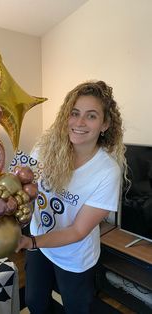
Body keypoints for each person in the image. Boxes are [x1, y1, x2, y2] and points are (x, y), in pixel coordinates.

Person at [16, 80, 127, 314]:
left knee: (77, 309)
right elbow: (25, 191)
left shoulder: (107, 172)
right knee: (35, 303)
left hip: (73, 257)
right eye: (74, 113)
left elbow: (77, 231)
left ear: (105, 124)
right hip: (39, 243)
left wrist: (30, 242)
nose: (79, 122)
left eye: (91, 116)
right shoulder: (45, 148)